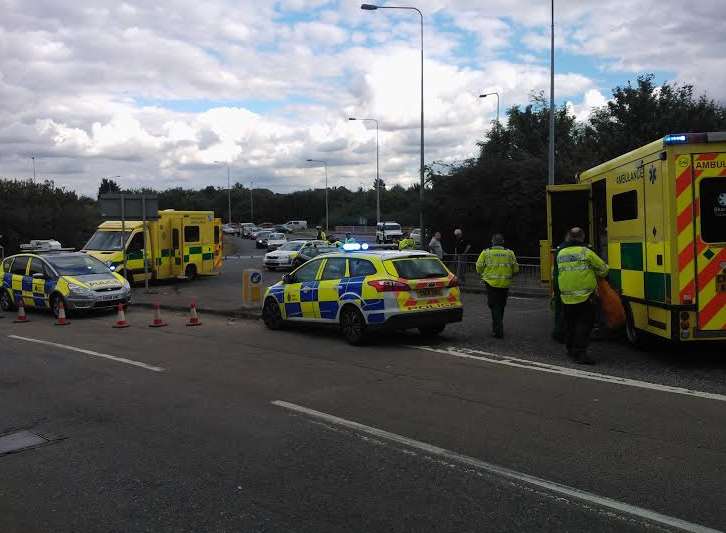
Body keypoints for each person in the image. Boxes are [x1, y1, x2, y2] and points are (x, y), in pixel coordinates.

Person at [556, 227, 609, 364]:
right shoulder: (586, 252)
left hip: (566, 296)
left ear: (569, 237)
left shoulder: (561, 253)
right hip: (585, 296)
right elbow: (603, 269)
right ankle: (580, 353)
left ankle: (570, 349)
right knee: (584, 325)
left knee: (570, 324)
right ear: (582, 237)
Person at [476, 234, 518, 338]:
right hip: (505, 283)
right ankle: (497, 327)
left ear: (492, 242)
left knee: (494, 306)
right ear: (502, 241)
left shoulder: (486, 252)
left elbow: (478, 267)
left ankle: (498, 330)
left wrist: (482, 274)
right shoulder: (509, 252)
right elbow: (516, 269)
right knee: (501, 305)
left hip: (491, 284)